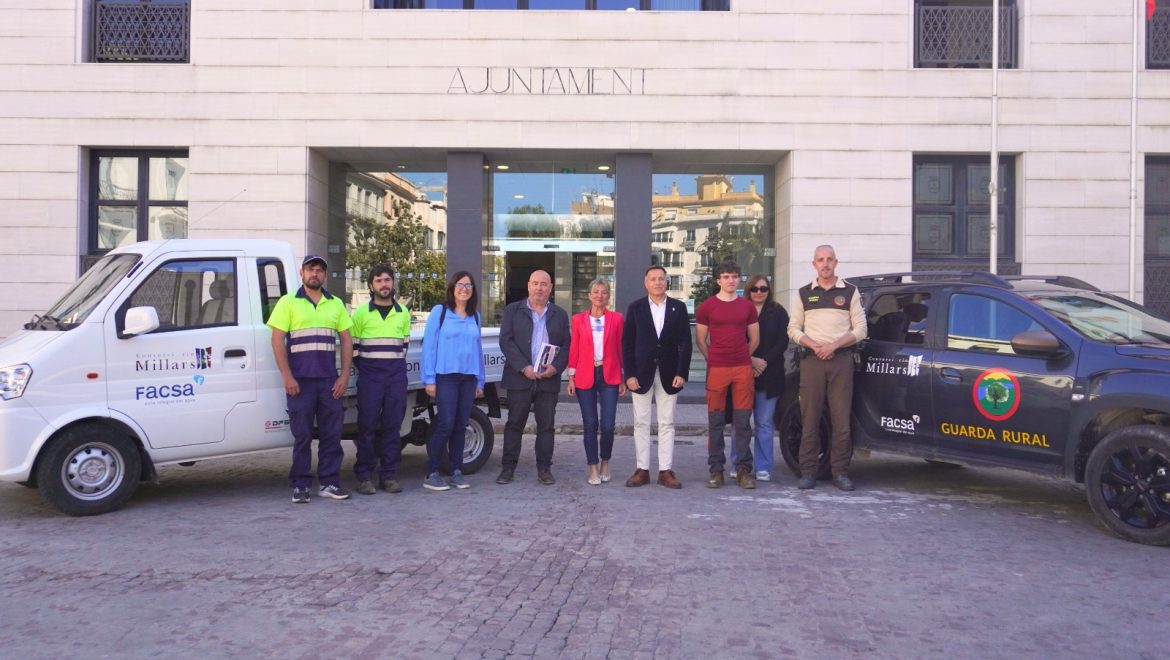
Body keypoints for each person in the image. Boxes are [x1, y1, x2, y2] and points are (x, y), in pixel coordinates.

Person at [268, 255, 354, 503]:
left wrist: (344, 376)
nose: (315, 273)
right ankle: (301, 485)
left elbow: (346, 339)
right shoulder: (287, 302)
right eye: (310, 269)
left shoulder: (335, 304)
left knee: (331, 435)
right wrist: (287, 376)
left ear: (324, 275)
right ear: (302, 273)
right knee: (302, 436)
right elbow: (277, 340)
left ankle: (329, 483)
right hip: (300, 383)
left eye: (319, 270)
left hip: (329, 382)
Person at [787, 245, 867, 491]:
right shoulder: (803, 293)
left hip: (841, 360)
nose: (825, 264)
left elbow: (861, 330)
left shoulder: (850, 291)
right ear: (814, 264)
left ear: (836, 262)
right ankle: (808, 472)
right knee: (809, 418)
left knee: (841, 420)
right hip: (812, 361)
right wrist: (813, 344)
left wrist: (834, 345)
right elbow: (793, 328)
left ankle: (840, 473)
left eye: (829, 259)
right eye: (820, 260)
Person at [621, 265, 693, 489]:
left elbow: (685, 342)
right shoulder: (635, 308)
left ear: (666, 282)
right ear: (646, 283)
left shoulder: (678, 308)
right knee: (641, 422)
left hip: (670, 374)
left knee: (667, 422)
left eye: (661, 278)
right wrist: (629, 374)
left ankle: (665, 470)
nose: (658, 282)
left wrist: (682, 372)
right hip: (641, 374)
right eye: (653, 279)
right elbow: (627, 343)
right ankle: (642, 470)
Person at [497, 270, 570, 485]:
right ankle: (507, 469)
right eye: (535, 283)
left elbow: (567, 346)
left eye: (544, 284)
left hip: (548, 380)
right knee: (514, 424)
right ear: (529, 285)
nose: (539, 288)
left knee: (546, 427)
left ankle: (544, 469)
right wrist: (524, 367)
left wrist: (555, 368)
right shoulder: (513, 310)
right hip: (520, 378)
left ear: (550, 288)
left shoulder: (560, 314)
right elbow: (506, 341)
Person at [696, 261, 759, 489]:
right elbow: (700, 340)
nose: (730, 280)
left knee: (743, 422)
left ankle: (744, 471)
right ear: (718, 281)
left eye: (734, 276)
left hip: (742, 369)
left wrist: (742, 356)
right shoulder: (707, 307)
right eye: (725, 276)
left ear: (739, 279)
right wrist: (713, 358)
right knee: (715, 422)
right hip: (717, 369)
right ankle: (716, 470)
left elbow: (755, 339)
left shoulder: (747, 307)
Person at [421, 271, 486, 492]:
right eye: (460, 285)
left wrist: (480, 380)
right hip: (446, 377)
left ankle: (456, 471)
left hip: (468, 379)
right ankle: (432, 473)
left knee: (461, 425)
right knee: (445, 425)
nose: (464, 289)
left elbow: (478, 350)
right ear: (452, 287)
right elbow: (429, 347)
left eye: (468, 286)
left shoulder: (475, 316)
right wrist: (429, 379)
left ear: (473, 291)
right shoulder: (440, 312)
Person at [349, 265, 410, 496]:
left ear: (393, 283)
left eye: (387, 280)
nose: (384, 284)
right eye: (378, 280)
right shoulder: (360, 314)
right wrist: (370, 370)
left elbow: (403, 348)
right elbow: (354, 349)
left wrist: (391, 370)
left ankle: (389, 475)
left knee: (393, 427)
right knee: (366, 427)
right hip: (370, 377)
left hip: (396, 377)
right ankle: (364, 476)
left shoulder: (403, 313)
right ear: (371, 285)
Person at [566, 278, 626, 486]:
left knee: (608, 425)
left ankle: (605, 462)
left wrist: (622, 377)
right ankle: (592, 466)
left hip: (609, 374)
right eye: (596, 292)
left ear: (608, 296)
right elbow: (574, 348)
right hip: (585, 374)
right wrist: (571, 377)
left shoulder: (617, 319)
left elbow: (620, 347)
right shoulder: (578, 319)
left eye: (604, 292)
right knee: (590, 423)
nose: (600, 295)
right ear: (589, 296)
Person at [744, 274, 789, 482]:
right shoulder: (740, 309)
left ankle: (763, 466)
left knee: (764, 423)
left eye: (763, 288)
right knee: (741, 423)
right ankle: (740, 463)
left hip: (770, 374)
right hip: (744, 372)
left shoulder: (778, 312)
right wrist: (751, 360)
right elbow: (734, 338)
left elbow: (783, 341)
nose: (759, 292)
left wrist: (763, 362)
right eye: (755, 288)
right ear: (748, 290)